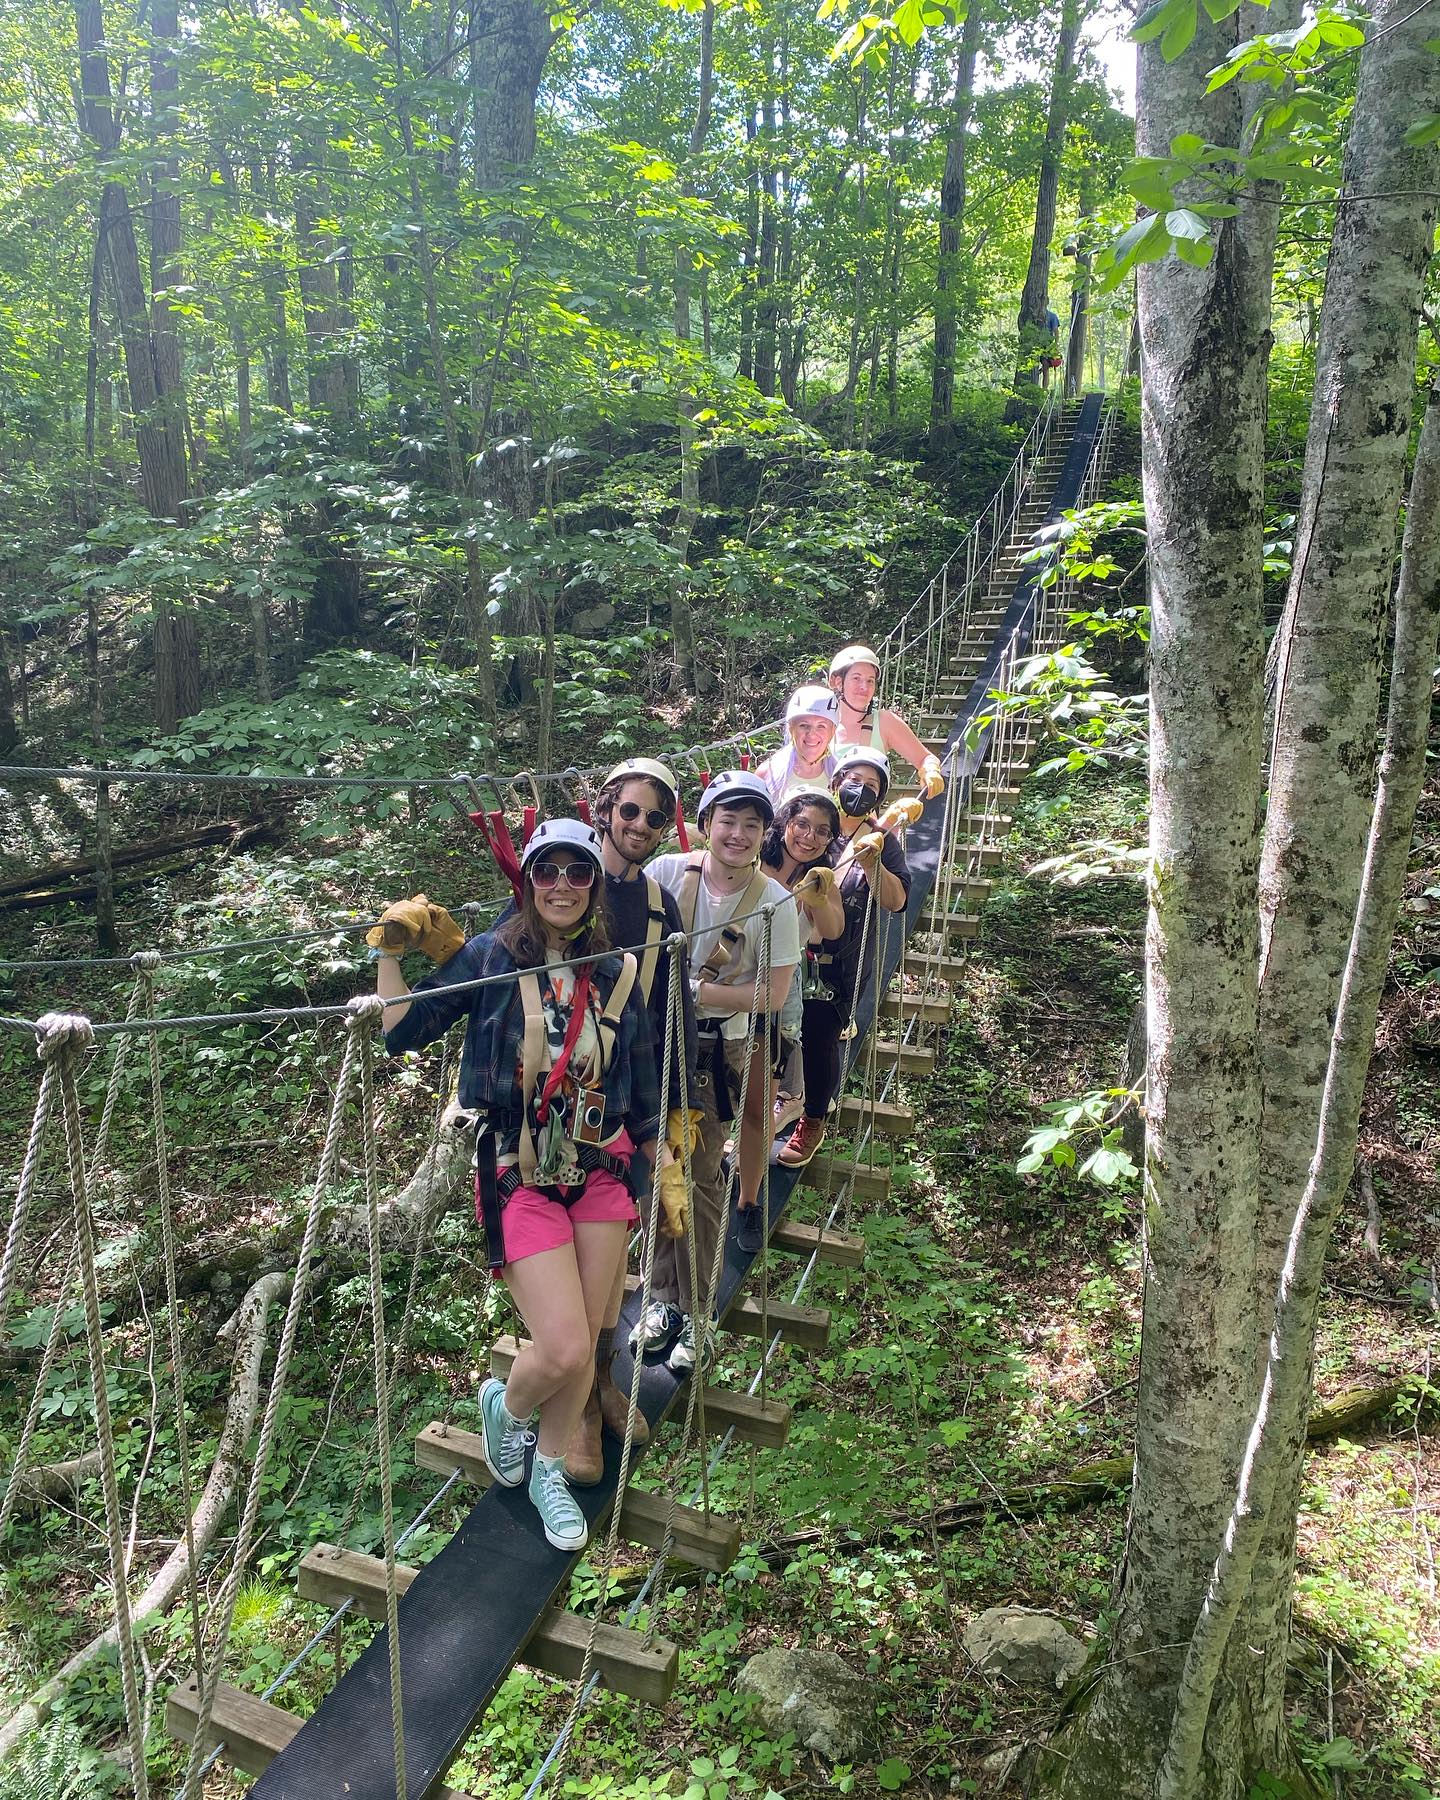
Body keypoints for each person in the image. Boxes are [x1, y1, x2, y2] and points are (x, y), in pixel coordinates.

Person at [370, 819, 659, 1553]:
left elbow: (642, 1079)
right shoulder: (489, 957)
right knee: (561, 1348)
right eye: (547, 872)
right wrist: (389, 953)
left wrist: (662, 1166)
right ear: (528, 882)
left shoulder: (619, 970)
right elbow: (403, 1030)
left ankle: (547, 1471)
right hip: (519, 1167)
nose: (562, 885)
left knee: (587, 1346)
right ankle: (508, 1407)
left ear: (593, 885)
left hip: (602, 1166)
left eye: (577, 872)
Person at [564, 758, 700, 1442]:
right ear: (604, 810)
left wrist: (676, 1108)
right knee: (563, 1251)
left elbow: (673, 1009)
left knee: (611, 1250)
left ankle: (598, 1385)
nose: (641, 826)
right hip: (557, 1101)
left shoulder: (657, 905)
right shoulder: (561, 880)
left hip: (623, 1102)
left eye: (654, 817)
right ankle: (577, 1399)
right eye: (629, 812)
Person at [639, 769, 802, 1327]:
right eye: (728, 820)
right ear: (706, 823)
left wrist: (694, 991)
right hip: (652, 1042)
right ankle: (662, 1294)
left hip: (714, 1051)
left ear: (764, 834)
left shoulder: (774, 902)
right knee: (655, 1165)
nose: (738, 834)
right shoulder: (665, 874)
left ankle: (695, 1305)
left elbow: (772, 995)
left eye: (752, 825)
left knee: (702, 1173)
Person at [775, 746, 912, 1169]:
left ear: (880, 796)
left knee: (819, 1036)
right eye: (854, 780)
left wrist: (874, 865)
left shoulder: (882, 842)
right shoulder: (813, 827)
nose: (861, 789)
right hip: (789, 952)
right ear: (835, 782)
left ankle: (813, 1117)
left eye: (871, 785)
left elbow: (897, 901)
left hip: (841, 963)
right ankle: (785, 1097)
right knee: (777, 1034)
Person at [759, 792, 846, 1140]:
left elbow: (833, 930)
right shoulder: (753, 859)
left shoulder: (820, 877)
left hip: (782, 980)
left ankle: (781, 1107)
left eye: (822, 831)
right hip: (738, 972)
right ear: (785, 822)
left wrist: (817, 899)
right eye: (802, 825)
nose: (809, 837)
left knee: (769, 1067)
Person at [828, 645, 945, 801]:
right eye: (856, 678)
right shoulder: (820, 724)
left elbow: (925, 758)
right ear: (838, 682)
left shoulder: (884, 722)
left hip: (865, 815)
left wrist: (930, 769)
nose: (864, 687)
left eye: (870, 681)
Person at [756, 685, 840, 806]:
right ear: (791, 728)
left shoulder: (841, 778)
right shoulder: (767, 774)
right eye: (803, 725)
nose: (811, 734)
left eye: (821, 726)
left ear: (832, 731)